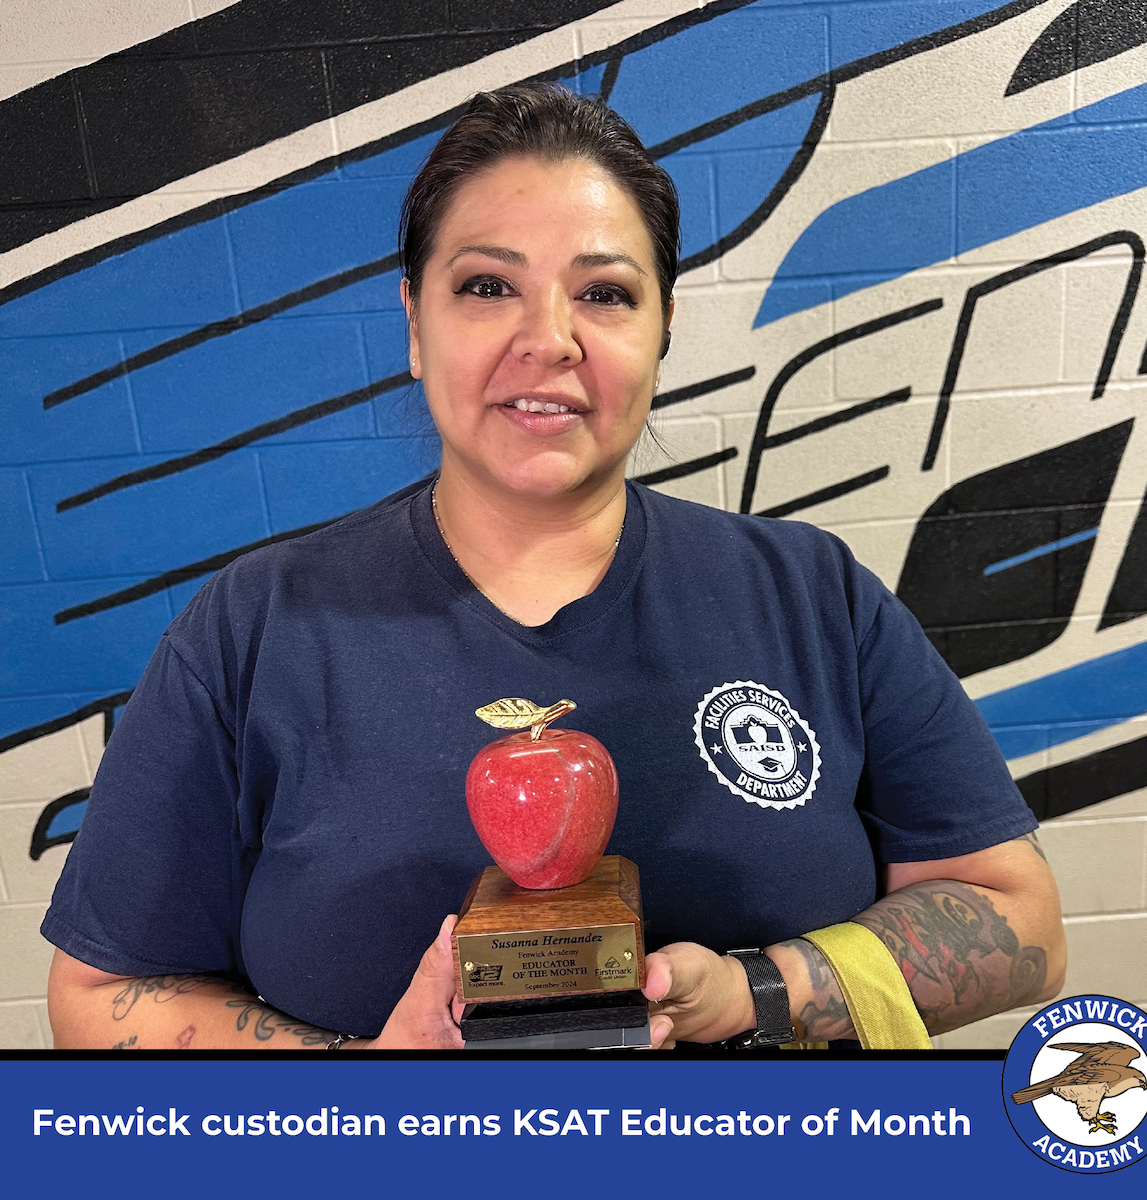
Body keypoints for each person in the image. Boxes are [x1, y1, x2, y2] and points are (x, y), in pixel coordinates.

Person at [44, 84, 1065, 1052]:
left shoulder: (812, 596)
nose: (549, 339)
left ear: (663, 331)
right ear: (414, 324)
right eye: (487, 286)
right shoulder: (256, 627)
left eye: (605, 293)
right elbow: (94, 997)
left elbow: (1022, 925)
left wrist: (756, 992)